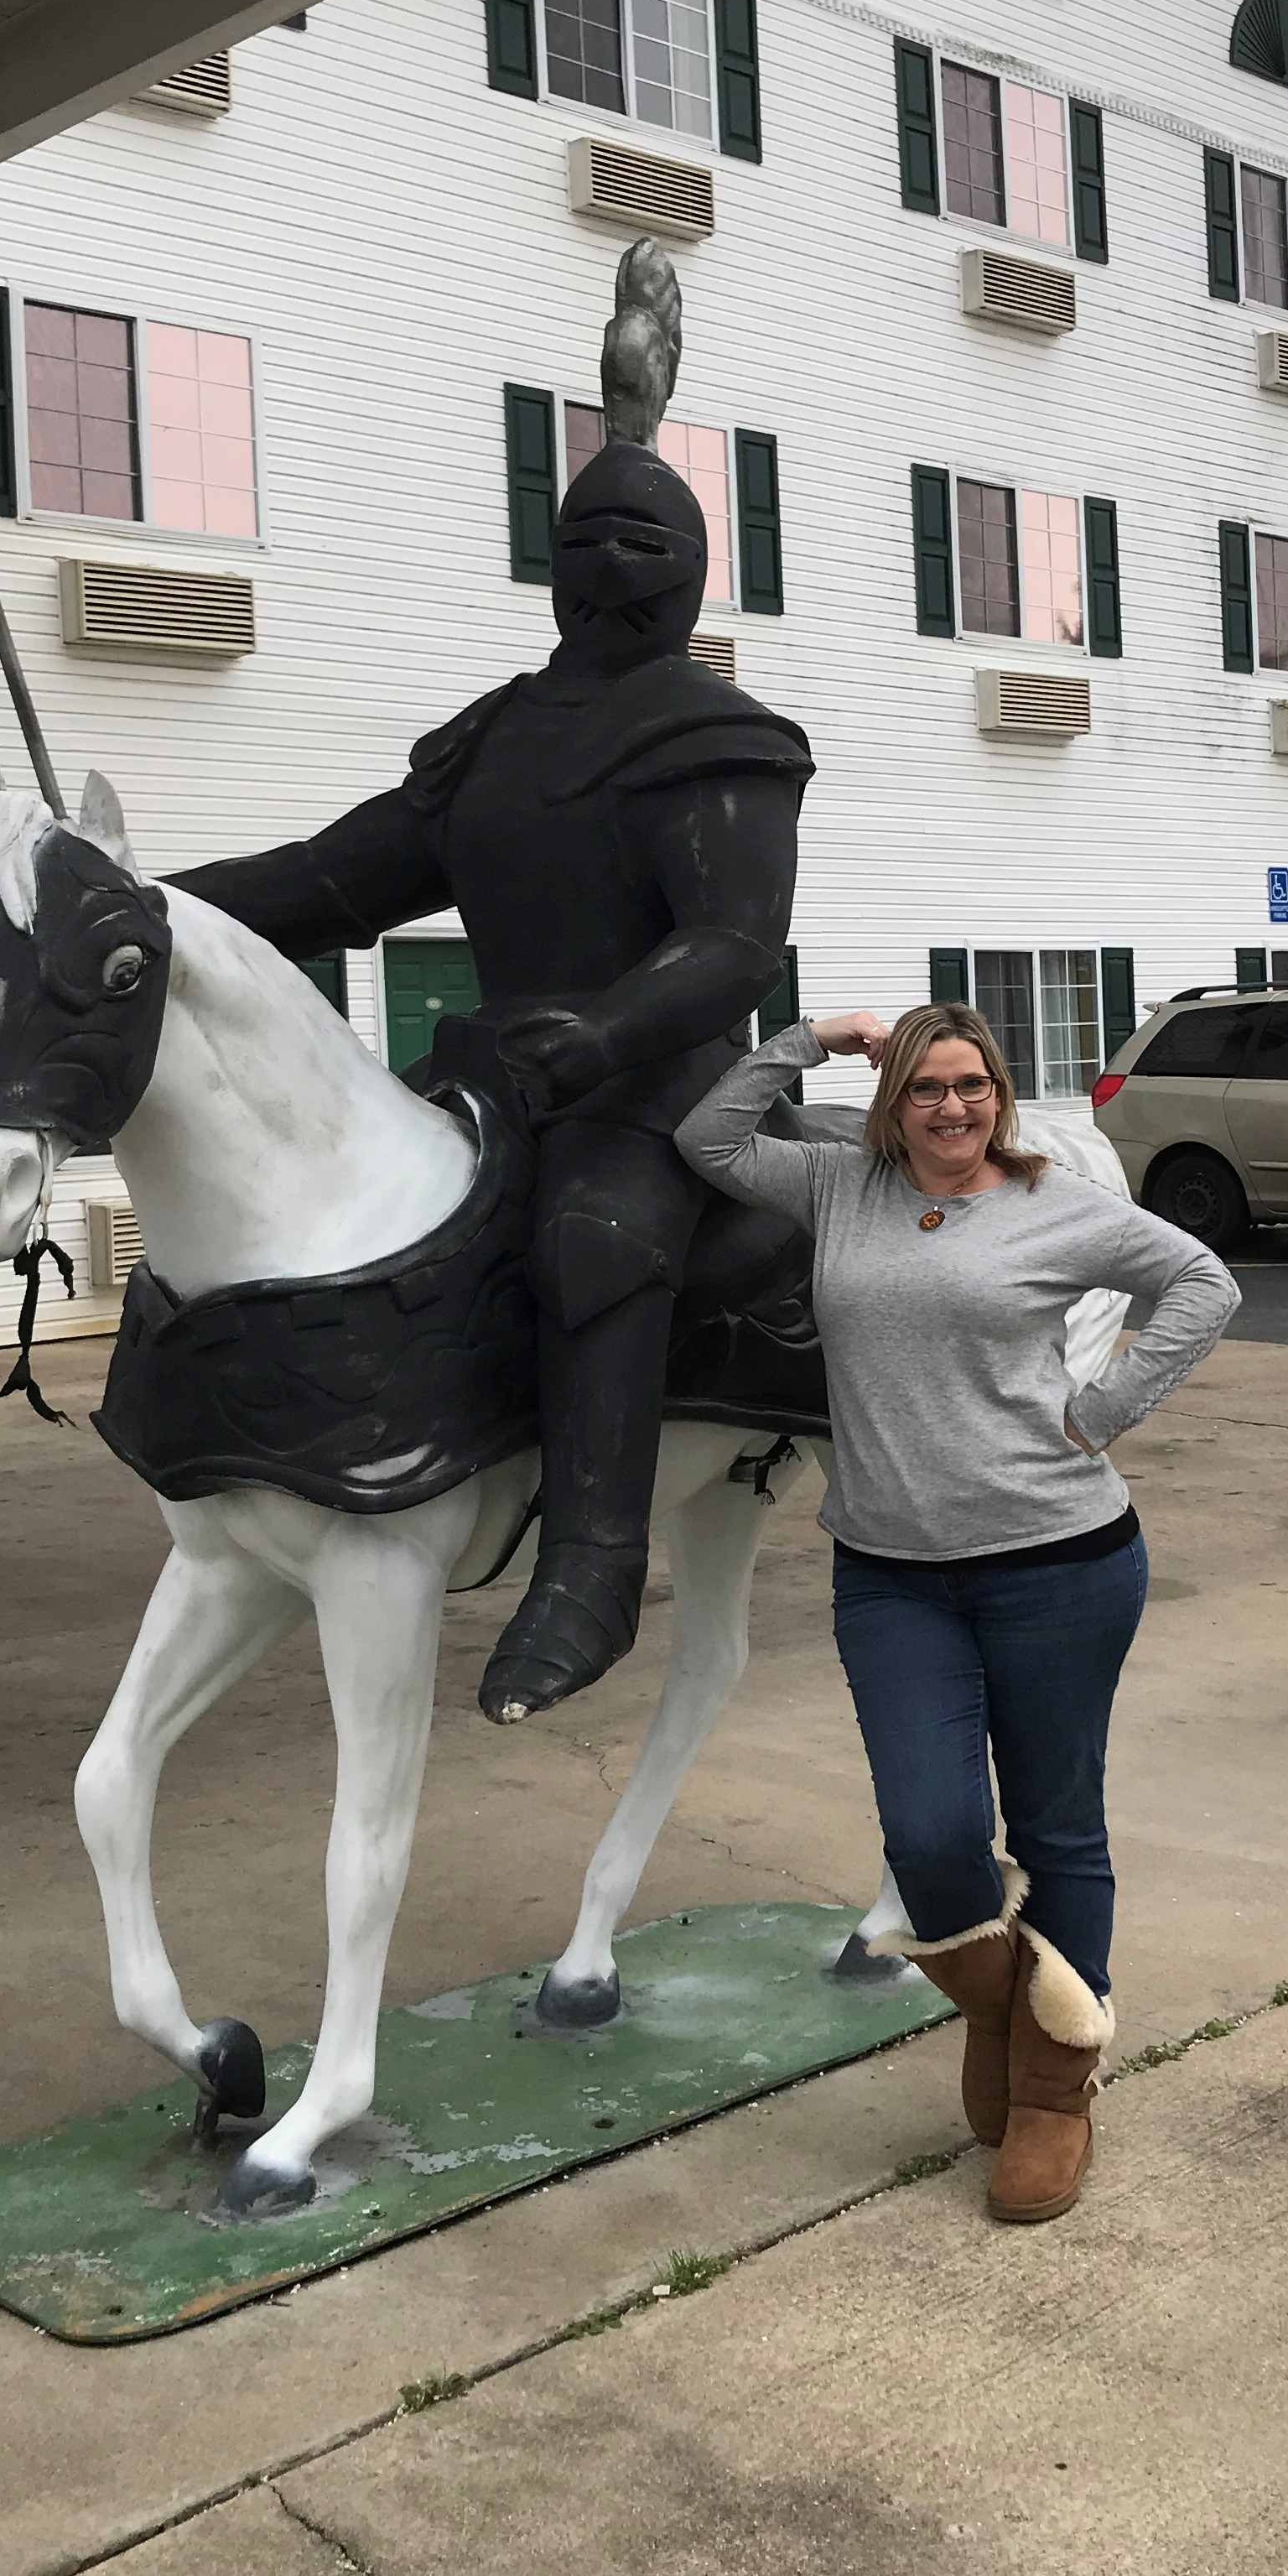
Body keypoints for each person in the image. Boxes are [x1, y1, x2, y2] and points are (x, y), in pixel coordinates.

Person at [169, 242, 810, 1727]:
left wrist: (608, 1031)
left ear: (692, 570)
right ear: (550, 560)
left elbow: (733, 941)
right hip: (487, 1079)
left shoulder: (720, 737)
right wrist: (147, 902)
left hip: (654, 1090)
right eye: (586, 544)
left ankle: (589, 1564)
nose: (609, 571)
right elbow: (333, 883)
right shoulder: (494, 738)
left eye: (640, 549)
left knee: (591, 1233)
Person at [677, 998, 1235, 2221]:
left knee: (1057, 1832)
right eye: (926, 1088)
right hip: (889, 1576)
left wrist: (1104, 1410)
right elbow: (707, 1143)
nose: (950, 1108)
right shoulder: (839, 1189)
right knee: (931, 1839)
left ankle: (1050, 2093)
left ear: (1000, 1093)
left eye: (971, 1085)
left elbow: (1201, 1281)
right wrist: (807, 1042)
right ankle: (1012, 2013)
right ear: (895, 1102)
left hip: (1063, 1561)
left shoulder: (1053, 1206)